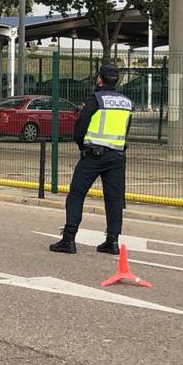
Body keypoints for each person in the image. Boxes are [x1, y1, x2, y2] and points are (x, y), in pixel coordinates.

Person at [50, 64, 133, 255]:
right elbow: (126, 130)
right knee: (114, 199)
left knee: (76, 195)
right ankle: (112, 242)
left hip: (93, 156)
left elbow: (80, 128)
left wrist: (83, 146)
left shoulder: (95, 100)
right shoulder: (127, 102)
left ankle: (69, 239)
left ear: (99, 79)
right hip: (117, 156)